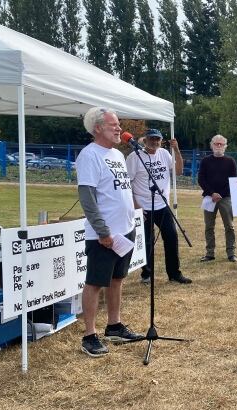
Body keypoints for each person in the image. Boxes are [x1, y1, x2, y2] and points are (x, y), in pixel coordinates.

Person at [76, 107, 144, 357]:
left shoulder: (116, 154)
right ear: (97, 128)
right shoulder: (90, 155)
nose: (119, 128)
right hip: (104, 235)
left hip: (125, 230)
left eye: (118, 124)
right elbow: (88, 197)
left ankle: (114, 325)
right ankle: (89, 335)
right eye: (113, 125)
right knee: (95, 282)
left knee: (117, 280)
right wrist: (102, 231)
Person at [125, 128, 191, 285]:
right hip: (143, 206)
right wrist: (136, 206)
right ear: (145, 140)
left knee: (171, 237)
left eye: (157, 139)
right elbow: (127, 183)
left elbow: (179, 171)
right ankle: (147, 274)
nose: (154, 142)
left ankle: (174, 273)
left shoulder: (164, 153)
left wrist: (176, 150)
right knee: (147, 241)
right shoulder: (135, 157)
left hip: (162, 204)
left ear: (161, 141)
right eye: (151, 139)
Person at [198, 134, 237, 262]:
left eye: (221, 144)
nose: (218, 146)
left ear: (225, 146)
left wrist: (220, 194)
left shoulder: (230, 161)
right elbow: (201, 179)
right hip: (209, 198)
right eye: (216, 143)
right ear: (212, 145)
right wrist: (212, 193)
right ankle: (210, 253)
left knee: (229, 226)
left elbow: (233, 180)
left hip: (225, 198)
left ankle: (231, 253)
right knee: (209, 226)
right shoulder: (205, 161)